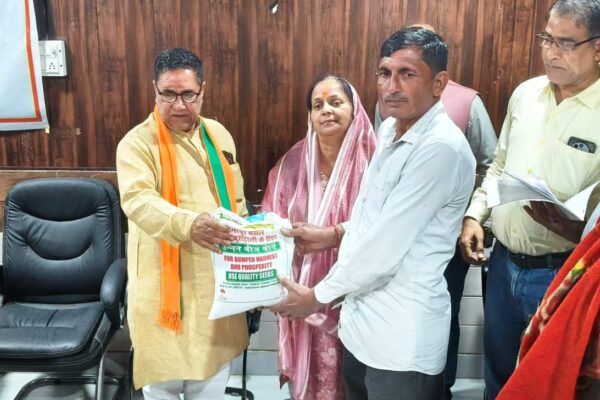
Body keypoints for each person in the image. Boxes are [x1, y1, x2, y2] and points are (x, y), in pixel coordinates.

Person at [271, 27, 476, 400]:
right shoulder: (390, 130)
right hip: (360, 327)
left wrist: (315, 297)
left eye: (407, 74)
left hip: (400, 340)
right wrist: (333, 235)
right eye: (384, 73)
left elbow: (383, 247)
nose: (391, 87)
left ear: (439, 83)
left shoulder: (440, 148)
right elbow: (373, 216)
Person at [458, 1, 600, 398]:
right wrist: (475, 216)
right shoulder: (526, 94)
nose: (551, 52)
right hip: (503, 267)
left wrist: (578, 229)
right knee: (499, 379)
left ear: (598, 48)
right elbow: (500, 166)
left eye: (566, 43)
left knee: (550, 385)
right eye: (546, 39)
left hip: (564, 273)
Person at [116, 48, 249, 399]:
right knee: (163, 381)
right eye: (168, 94)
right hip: (163, 292)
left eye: (188, 94)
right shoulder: (136, 144)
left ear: (203, 91)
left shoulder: (219, 136)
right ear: (154, 90)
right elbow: (138, 201)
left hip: (216, 287)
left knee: (212, 380)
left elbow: (237, 202)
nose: (178, 105)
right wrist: (190, 224)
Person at [376, 23, 497, 399]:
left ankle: (440, 387)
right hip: (397, 237)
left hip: (447, 237)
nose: (394, 81)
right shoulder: (391, 101)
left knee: (442, 311)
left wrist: (469, 219)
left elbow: (491, 165)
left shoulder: (468, 102)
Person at [261, 74, 377, 400]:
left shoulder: (376, 161)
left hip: (357, 292)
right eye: (317, 105)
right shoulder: (291, 163)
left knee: (354, 382)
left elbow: (382, 227)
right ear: (310, 116)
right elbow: (270, 225)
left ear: (355, 110)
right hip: (302, 293)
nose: (326, 110)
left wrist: (333, 236)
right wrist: (270, 286)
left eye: (336, 102)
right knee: (312, 381)